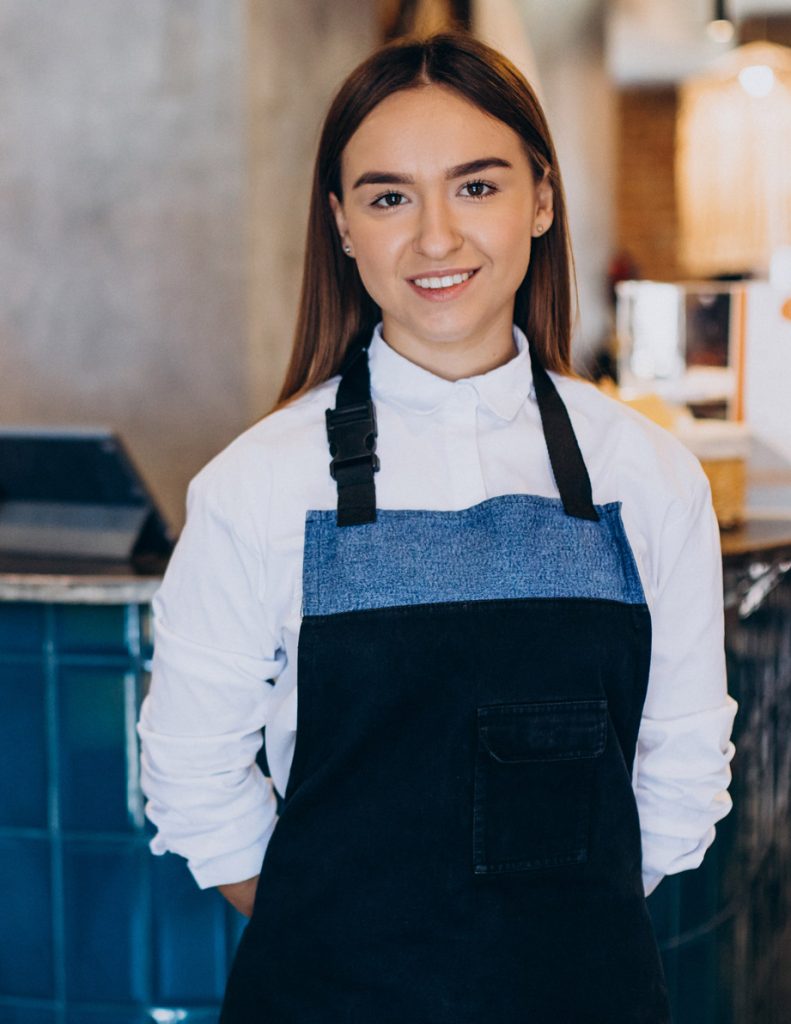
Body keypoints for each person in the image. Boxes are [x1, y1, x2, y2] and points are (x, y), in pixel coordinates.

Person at [137, 31, 737, 1023]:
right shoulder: (256, 485)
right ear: (340, 225)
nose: (434, 239)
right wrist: (345, 937)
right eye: (386, 197)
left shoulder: (647, 475)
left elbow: (679, 771)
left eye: (474, 186)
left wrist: (540, 939)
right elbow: (190, 776)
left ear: (540, 198)